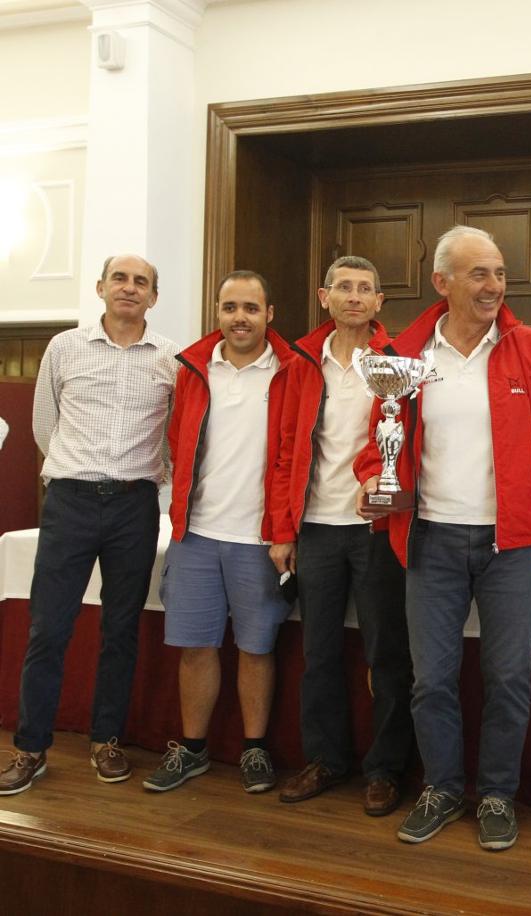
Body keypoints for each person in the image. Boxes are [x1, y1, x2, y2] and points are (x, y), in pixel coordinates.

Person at [356, 225, 531, 851]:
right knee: (432, 679)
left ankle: (498, 794)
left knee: (508, 677)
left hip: (510, 543)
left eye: (499, 274)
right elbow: (379, 443)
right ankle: (444, 787)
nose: (493, 287)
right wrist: (376, 481)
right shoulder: (405, 352)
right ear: (442, 281)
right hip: (431, 541)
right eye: (479, 274)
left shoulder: (529, 349)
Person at [0, 254, 176, 795]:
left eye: (140, 281)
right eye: (119, 279)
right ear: (101, 287)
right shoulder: (64, 347)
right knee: (48, 629)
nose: (129, 288)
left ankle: (106, 741)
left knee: (120, 630)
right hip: (71, 503)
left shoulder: (170, 357)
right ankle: (30, 748)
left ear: (154, 296)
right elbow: (44, 425)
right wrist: (77, 473)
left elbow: (176, 431)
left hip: (135, 506)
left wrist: (136, 480)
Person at [270, 255, 413, 817]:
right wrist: (283, 530)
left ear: (380, 302)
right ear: (324, 296)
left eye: (366, 289)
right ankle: (326, 758)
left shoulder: (399, 361)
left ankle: (386, 769)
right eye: (344, 287)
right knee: (319, 653)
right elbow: (284, 450)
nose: (355, 296)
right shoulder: (302, 361)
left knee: (387, 654)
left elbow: (405, 440)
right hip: (318, 528)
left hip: (377, 527)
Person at [142, 271, 294, 794]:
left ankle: (254, 750)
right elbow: (176, 438)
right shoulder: (193, 368)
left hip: (260, 538)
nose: (240, 318)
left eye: (251, 307)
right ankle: (193, 749)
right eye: (230, 307)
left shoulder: (292, 370)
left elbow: (295, 455)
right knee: (195, 646)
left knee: (257, 648)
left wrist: (284, 529)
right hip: (197, 534)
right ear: (218, 312)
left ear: (269, 313)